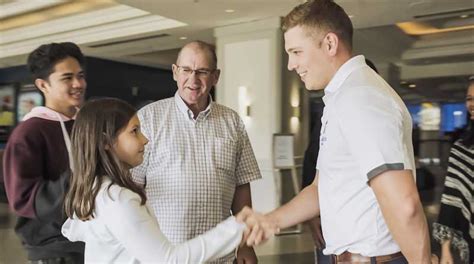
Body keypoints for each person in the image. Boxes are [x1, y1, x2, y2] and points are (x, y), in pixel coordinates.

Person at [243, 0, 433, 263]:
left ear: (330, 44)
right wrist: (270, 220)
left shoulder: (361, 98)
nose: (290, 64)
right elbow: (322, 187)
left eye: (296, 52)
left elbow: (404, 204)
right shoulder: (341, 99)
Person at [62, 98, 252, 263]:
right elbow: (168, 260)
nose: (145, 140)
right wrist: (236, 227)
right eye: (134, 131)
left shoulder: (99, 190)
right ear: (106, 142)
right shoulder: (118, 199)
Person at [131, 40, 261, 263]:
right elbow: (133, 187)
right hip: (165, 253)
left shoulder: (232, 121)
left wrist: (246, 244)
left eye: (202, 71)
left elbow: (242, 184)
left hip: (220, 254)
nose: (193, 79)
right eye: (186, 70)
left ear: (215, 76)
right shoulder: (148, 119)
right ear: (175, 72)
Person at [3, 42, 86, 263]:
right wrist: (84, 175)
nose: (78, 83)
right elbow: (25, 199)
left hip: (89, 242)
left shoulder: (84, 124)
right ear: (43, 85)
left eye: (80, 75)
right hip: (54, 251)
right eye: (67, 78)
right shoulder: (29, 132)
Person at [433, 78, 473, 264]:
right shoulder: (462, 149)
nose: (472, 104)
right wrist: (446, 250)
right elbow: (450, 199)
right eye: (469, 98)